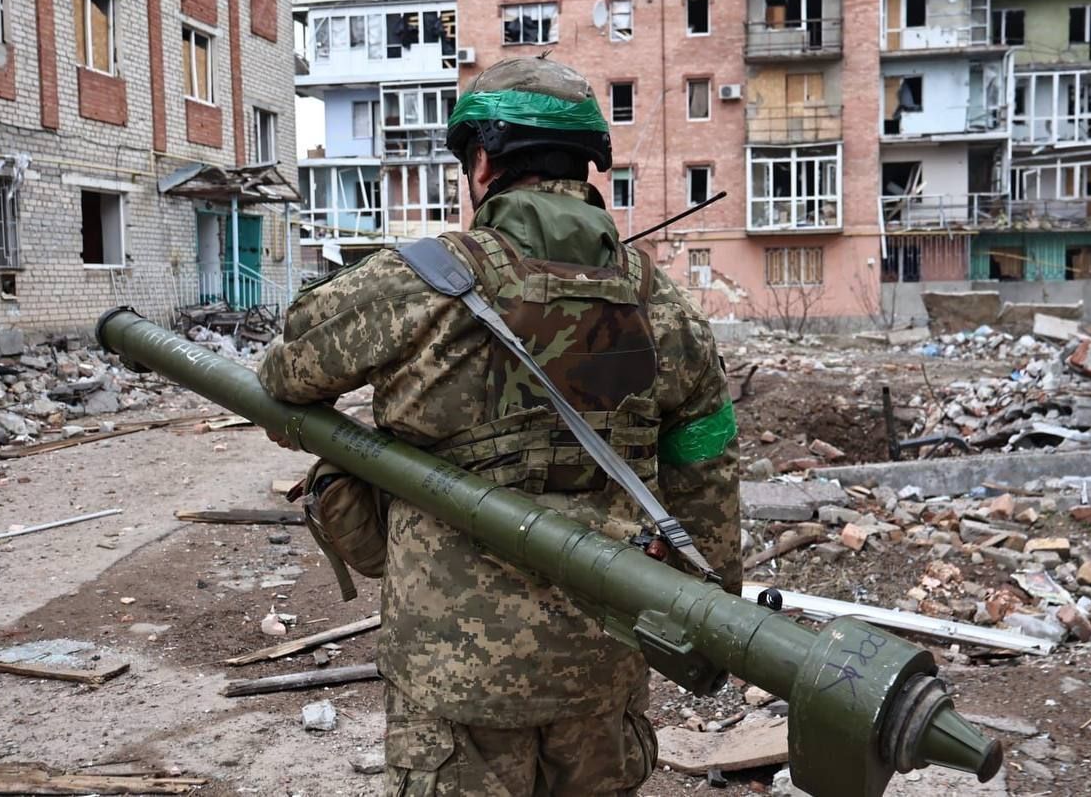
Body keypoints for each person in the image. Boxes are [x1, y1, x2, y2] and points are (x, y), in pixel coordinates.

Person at [258, 55, 740, 796]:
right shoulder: (663, 305)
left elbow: (289, 371)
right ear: (587, 169)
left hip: (456, 675)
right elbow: (706, 468)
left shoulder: (421, 282)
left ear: (482, 162)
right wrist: (712, 618)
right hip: (602, 661)